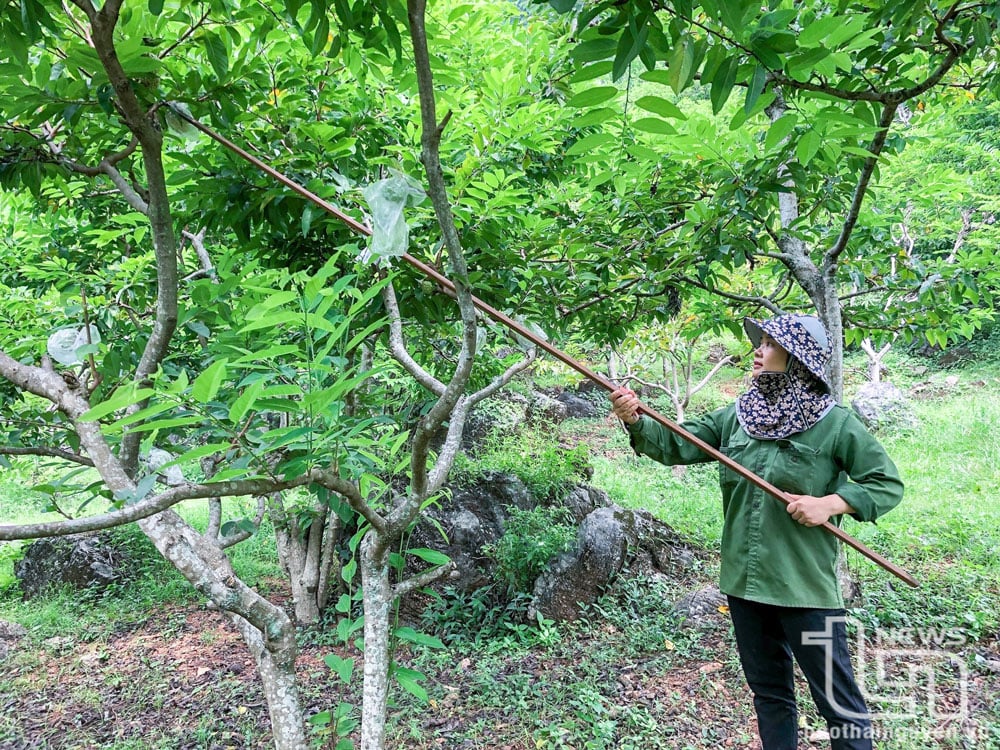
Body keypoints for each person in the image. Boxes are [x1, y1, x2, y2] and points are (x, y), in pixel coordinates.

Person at [609, 314, 903, 750]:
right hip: (745, 586)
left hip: (804, 589)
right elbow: (675, 442)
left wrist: (829, 504)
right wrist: (635, 420)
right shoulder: (738, 417)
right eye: (759, 342)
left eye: (769, 344)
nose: (758, 352)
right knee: (769, 696)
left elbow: (885, 483)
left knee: (838, 702)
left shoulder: (836, 424)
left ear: (798, 358)